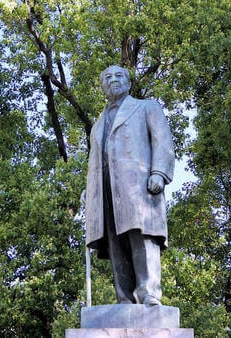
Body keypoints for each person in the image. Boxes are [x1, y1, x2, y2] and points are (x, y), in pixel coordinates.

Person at [85, 65, 175, 306]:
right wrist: (91, 191)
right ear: (102, 86)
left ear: (128, 82)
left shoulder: (146, 107)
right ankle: (124, 298)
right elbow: (96, 160)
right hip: (106, 191)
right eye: (107, 77)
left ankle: (149, 293)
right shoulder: (97, 125)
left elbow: (163, 140)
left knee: (141, 236)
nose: (113, 80)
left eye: (118, 75)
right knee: (115, 242)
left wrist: (159, 172)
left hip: (139, 187)